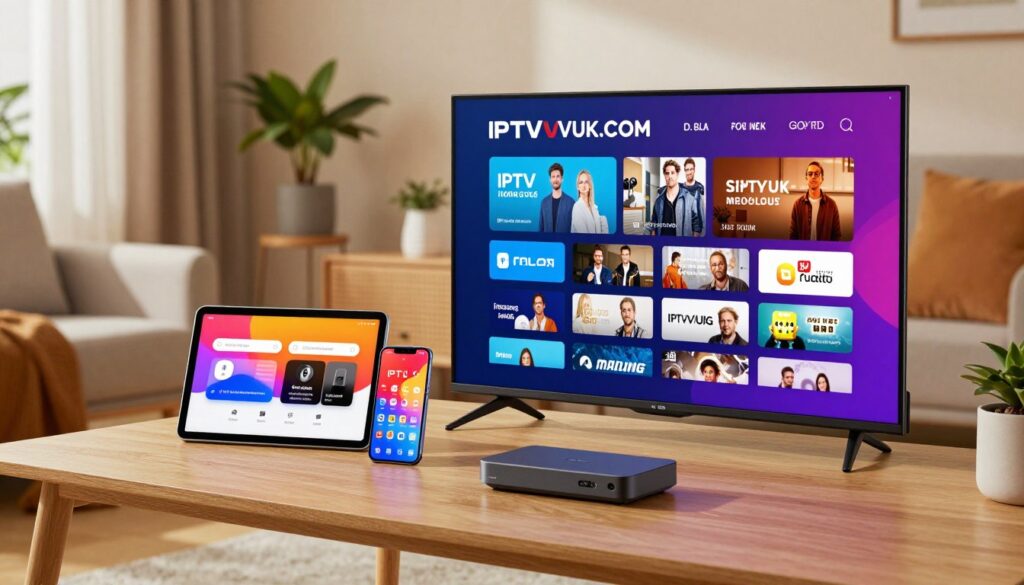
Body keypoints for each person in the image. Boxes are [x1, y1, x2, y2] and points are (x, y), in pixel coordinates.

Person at [649, 159, 704, 237]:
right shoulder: (659, 200)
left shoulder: (690, 198)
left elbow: (697, 225)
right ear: (664, 175)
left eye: (672, 173)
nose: (670, 176)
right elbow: (654, 224)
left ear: (677, 174)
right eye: (667, 173)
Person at [789, 161, 842, 241]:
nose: (813, 177)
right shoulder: (797, 204)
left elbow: (836, 236)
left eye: (817, 174)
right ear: (806, 178)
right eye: (810, 174)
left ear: (822, 179)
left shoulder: (831, 205)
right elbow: (793, 236)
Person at [538, 162, 575, 233]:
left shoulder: (571, 203)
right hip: (548, 243)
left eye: (558, 176)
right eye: (553, 176)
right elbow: (541, 228)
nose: (555, 179)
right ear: (550, 180)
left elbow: (574, 229)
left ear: (562, 179)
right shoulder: (544, 202)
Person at [570, 169, 609, 233]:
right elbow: (584, 237)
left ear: (590, 186)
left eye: (586, 182)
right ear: (578, 187)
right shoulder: (577, 207)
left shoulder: (594, 207)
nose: (584, 185)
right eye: (581, 182)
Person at [680, 158, 706, 237]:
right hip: (684, 228)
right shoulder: (681, 188)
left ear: (694, 170)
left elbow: (701, 210)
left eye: (691, 169)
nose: (689, 172)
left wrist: (698, 229)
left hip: (697, 229)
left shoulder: (700, 187)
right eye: (687, 169)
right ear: (684, 171)